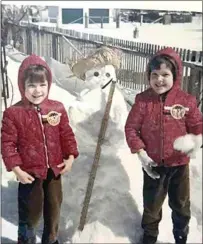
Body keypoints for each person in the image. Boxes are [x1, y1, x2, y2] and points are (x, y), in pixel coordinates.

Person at [125, 47, 202, 244]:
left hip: (179, 165)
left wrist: (195, 142)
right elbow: (131, 129)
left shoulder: (186, 102)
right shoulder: (143, 101)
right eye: (155, 74)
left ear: (175, 76)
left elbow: (197, 126)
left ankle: (181, 235)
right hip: (154, 166)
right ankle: (150, 236)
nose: (159, 79)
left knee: (181, 205)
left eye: (165, 74)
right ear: (148, 76)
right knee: (152, 206)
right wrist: (141, 154)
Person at [1, 54, 79, 244]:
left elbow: (66, 134)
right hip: (29, 174)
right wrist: (17, 170)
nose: (38, 91)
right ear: (22, 86)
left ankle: (51, 239)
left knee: (54, 208)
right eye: (32, 85)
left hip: (54, 171)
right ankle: (25, 240)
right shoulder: (13, 113)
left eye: (42, 85)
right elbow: (7, 144)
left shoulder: (57, 108)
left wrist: (70, 157)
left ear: (49, 84)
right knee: (30, 213)